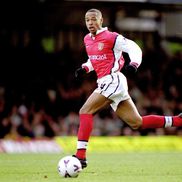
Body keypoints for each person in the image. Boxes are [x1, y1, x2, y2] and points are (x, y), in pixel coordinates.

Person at [73, 8, 182, 169]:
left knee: (85, 111)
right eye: (87, 19)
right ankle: (178, 120)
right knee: (136, 123)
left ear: (101, 20)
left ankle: (80, 157)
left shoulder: (111, 37)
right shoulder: (87, 39)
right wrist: (85, 68)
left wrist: (134, 64)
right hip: (105, 82)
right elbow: (94, 59)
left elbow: (134, 48)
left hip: (113, 80)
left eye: (94, 19)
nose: (90, 22)